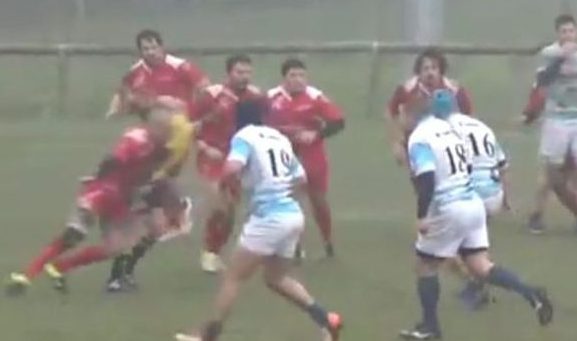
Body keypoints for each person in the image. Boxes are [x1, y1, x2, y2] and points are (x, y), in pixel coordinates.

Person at [174, 100, 343, 341]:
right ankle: (326, 320)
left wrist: (226, 190)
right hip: (292, 215)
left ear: (237, 119)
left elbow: (232, 168)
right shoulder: (279, 138)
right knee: (276, 278)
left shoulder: (244, 136)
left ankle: (206, 336)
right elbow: (301, 179)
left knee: (233, 277)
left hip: (270, 218)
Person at [399, 90, 553, 340]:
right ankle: (531, 293)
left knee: (425, 266)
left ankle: (430, 327)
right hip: (473, 203)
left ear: (411, 115)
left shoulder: (420, 138)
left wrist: (421, 215)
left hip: (450, 206)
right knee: (481, 266)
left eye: (402, 116)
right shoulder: (451, 132)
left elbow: (427, 178)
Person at [5, 108, 174, 296]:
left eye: (170, 129)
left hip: (121, 199)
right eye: (166, 129)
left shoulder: (165, 148)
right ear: (153, 126)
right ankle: (25, 277)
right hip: (104, 191)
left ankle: (60, 266)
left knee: (116, 247)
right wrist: (96, 181)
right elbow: (113, 160)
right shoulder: (136, 140)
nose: (170, 133)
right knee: (72, 236)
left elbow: (152, 173)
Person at [267, 58, 345, 258]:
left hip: (312, 156)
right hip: (284, 157)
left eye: (302, 75)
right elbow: (260, 124)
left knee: (318, 200)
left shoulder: (315, 97)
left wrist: (316, 134)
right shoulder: (271, 98)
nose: (298, 80)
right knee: (290, 200)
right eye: (293, 75)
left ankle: (328, 240)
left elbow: (338, 121)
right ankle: (294, 246)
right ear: (284, 78)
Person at [194, 54, 263, 273]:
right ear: (229, 73)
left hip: (238, 158)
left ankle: (212, 252)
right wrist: (205, 147)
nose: (244, 77)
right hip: (211, 158)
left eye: (247, 73)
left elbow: (261, 127)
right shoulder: (210, 95)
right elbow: (188, 126)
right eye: (239, 72)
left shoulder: (256, 96)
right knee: (220, 204)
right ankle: (207, 250)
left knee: (230, 210)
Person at [523, 14, 577, 234]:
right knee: (550, 170)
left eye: (571, 31)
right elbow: (542, 81)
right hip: (556, 118)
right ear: (558, 34)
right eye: (563, 31)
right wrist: (561, 58)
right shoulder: (549, 53)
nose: (568, 35)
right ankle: (536, 215)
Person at [387, 47, 473, 166]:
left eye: (434, 68)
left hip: (446, 145)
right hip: (417, 145)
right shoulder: (407, 89)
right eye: (426, 69)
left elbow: (468, 115)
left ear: (440, 70)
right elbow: (391, 112)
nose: (430, 73)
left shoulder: (454, 90)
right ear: (419, 71)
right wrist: (396, 143)